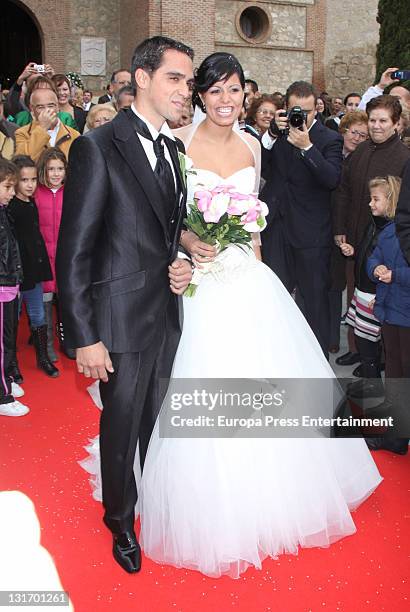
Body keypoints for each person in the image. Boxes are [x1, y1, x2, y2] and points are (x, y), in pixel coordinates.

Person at [81, 53, 383, 579]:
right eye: (215, 90)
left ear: (246, 94)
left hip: (246, 279)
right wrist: (190, 242)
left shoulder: (253, 146)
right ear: (200, 96)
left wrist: (258, 273)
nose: (226, 100)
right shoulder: (177, 146)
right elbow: (163, 219)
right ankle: (168, 499)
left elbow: (255, 225)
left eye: (234, 90)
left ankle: (272, 496)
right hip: (193, 284)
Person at [56, 36, 195, 574]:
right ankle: (120, 520)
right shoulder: (98, 147)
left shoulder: (175, 150)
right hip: (116, 318)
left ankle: (148, 495)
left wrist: (180, 261)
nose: (186, 90)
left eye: (187, 81)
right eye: (175, 79)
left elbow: (166, 232)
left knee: (153, 422)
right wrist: (84, 335)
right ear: (142, 77)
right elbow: (76, 251)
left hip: (166, 311)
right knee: (120, 423)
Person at [260, 80, 344, 356]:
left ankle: (315, 362)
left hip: (311, 235)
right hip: (276, 231)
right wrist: (271, 135)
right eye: (297, 110)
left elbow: (331, 179)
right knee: (274, 299)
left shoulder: (330, 138)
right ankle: (277, 357)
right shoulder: (278, 134)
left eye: (308, 112)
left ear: (317, 110)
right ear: (285, 107)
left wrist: (308, 148)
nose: (302, 117)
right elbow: (260, 166)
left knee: (314, 301)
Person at [333, 95, 410, 368]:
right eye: (373, 120)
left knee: (384, 305)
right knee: (357, 301)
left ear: (396, 123)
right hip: (354, 242)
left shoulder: (404, 159)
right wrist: (340, 228)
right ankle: (359, 350)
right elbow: (344, 192)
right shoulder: (360, 152)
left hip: (388, 248)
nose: (376, 126)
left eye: (382, 121)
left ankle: (384, 360)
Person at [339, 176, 401, 399]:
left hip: (375, 295)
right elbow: (372, 256)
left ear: (391, 201)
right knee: (363, 339)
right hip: (362, 291)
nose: (370, 203)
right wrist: (354, 252)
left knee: (370, 342)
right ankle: (370, 382)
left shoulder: (395, 232)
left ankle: (374, 385)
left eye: (376, 199)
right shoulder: (374, 224)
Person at [365, 177, 410, 456]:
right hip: (391, 311)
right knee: (394, 370)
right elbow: (374, 256)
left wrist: (397, 276)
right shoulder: (391, 231)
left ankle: (397, 437)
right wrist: (377, 268)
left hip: (404, 312)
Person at [7, 156, 58, 378]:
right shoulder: (9, 208)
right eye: (24, 180)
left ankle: (43, 358)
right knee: (12, 319)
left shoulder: (32, 202)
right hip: (15, 274)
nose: (30, 184)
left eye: (34, 179)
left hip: (34, 270)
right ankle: (11, 364)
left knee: (38, 316)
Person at [328, 111, 369, 353]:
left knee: (341, 285)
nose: (357, 138)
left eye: (363, 136)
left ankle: (342, 341)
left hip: (350, 232)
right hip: (329, 227)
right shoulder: (333, 154)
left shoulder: (362, 161)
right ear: (344, 131)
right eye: (354, 132)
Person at [35, 148, 71, 361]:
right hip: (43, 259)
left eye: (60, 169)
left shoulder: (72, 192)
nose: (56, 174)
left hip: (65, 257)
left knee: (67, 302)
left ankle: (69, 341)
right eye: (51, 169)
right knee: (45, 303)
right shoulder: (36, 193)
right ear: (44, 171)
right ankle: (46, 344)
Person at [0, 159, 29, 417]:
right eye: (8, 186)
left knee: (8, 339)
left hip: (9, 284)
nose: (12, 192)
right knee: (0, 343)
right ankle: (2, 396)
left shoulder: (3, 211)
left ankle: (6, 379)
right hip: (1, 287)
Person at [14, 88, 80, 162]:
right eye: (40, 107)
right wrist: (42, 128)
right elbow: (22, 162)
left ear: (57, 107)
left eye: (51, 106)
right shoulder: (22, 133)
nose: (47, 111)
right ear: (32, 109)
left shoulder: (74, 135)